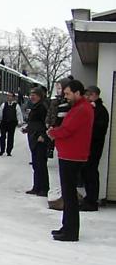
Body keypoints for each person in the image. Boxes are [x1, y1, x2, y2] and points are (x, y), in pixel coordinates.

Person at [46, 80, 94, 242]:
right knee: (68, 194)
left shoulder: (81, 109)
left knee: (69, 195)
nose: (65, 97)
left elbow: (68, 130)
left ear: (77, 93)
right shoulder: (79, 108)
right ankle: (67, 227)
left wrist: (53, 133)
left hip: (72, 156)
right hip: (70, 154)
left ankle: (71, 231)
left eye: (67, 94)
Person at [79, 85, 110, 211]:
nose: (86, 97)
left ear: (95, 95)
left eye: (89, 95)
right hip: (87, 146)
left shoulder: (100, 110)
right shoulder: (91, 108)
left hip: (94, 146)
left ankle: (92, 201)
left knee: (91, 172)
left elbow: (98, 130)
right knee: (86, 172)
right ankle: (89, 198)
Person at [46, 78, 73, 209]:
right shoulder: (58, 103)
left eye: (60, 88)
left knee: (64, 173)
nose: (59, 91)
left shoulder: (66, 106)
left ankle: (65, 199)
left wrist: (53, 132)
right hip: (61, 140)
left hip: (65, 142)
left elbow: (62, 124)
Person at [22, 87, 49, 196]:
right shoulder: (35, 107)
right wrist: (27, 129)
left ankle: (44, 188)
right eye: (31, 95)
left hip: (39, 138)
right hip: (33, 137)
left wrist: (43, 135)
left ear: (40, 96)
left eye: (34, 95)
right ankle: (36, 187)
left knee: (41, 164)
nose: (32, 97)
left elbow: (45, 123)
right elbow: (34, 122)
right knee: (36, 164)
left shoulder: (42, 107)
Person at [0, 92, 24, 156]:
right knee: (2, 136)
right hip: (4, 123)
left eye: (10, 96)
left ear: (13, 97)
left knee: (10, 137)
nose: (8, 97)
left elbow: (19, 114)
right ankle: (2, 150)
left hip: (12, 123)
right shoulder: (3, 105)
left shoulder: (16, 106)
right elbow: (0, 113)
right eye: (8, 96)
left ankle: (9, 151)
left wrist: (20, 122)